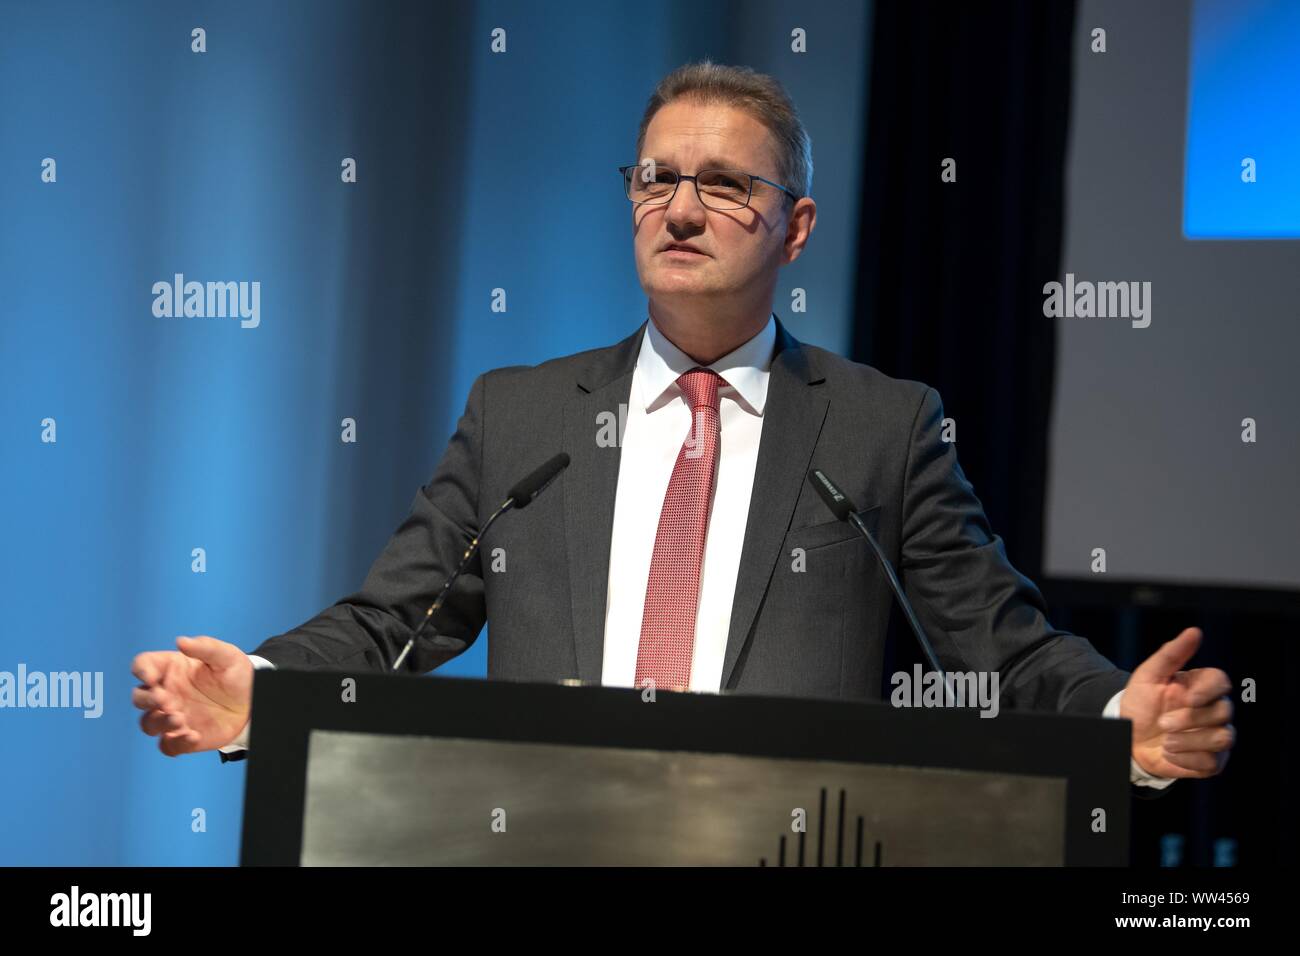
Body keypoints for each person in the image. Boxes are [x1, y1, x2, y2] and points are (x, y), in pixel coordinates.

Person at [131, 61, 1233, 790]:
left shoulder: (880, 429)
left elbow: (993, 643)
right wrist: (258, 694)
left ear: (795, 227)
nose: (683, 208)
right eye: (657, 178)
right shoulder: (519, 415)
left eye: (723, 184)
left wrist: (1110, 715)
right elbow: (393, 625)